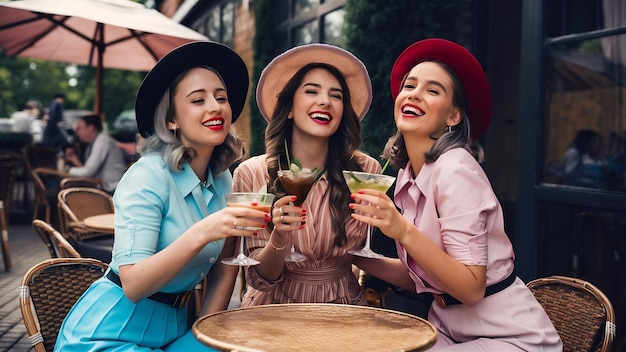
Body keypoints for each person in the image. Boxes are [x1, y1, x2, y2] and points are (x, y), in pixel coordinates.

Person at [55, 41, 269, 351]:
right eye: (198, 100)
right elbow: (133, 284)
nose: (216, 106)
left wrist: (208, 338)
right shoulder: (147, 176)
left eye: (221, 97)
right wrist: (203, 231)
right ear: (172, 120)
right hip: (108, 336)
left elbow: (225, 268)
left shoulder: (223, 179)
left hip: (178, 331)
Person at [349, 38, 562, 350]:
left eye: (433, 90)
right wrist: (350, 255)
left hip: (511, 338)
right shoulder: (410, 175)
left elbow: (471, 289)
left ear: (453, 116)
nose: (414, 94)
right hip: (447, 331)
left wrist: (401, 230)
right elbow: (424, 277)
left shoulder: (456, 171)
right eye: (410, 86)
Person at [232, 44, 379, 306]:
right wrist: (279, 235)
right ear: (289, 108)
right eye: (311, 91)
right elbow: (259, 278)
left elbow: (365, 255)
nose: (325, 101)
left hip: (344, 309)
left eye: (336, 96)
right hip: (274, 310)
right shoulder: (252, 173)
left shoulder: (366, 171)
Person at [64, 114, 127, 193]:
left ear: (91, 128)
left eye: (79, 129)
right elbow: (89, 171)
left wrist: (68, 170)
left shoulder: (102, 141)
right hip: (105, 188)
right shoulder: (92, 143)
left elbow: (88, 173)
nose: (77, 133)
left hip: (113, 191)